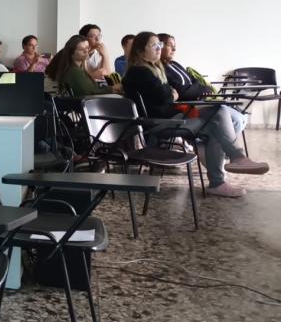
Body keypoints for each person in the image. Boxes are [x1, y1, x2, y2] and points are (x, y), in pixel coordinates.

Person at [122, 32, 269, 198]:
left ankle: (221, 174)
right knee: (218, 117)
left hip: (170, 118)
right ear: (141, 51)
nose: (159, 48)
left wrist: (171, 94)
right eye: (154, 45)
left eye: (160, 45)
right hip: (158, 123)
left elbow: (168, 95)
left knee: (218, 118)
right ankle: (226, 169)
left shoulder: (153, 69)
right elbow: (166, 96)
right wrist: (171, 94)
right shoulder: (140, 72)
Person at [158, 33, 247, 139]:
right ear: (159, 46)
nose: (174, 49)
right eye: (169, 45)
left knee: (242, 119)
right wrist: (201, 89)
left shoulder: (175, 64)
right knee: (236, 121)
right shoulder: (161, 70)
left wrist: (199, 89)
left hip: (201, 100)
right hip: (189, 106)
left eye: (175, 45)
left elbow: (194, 80)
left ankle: (222, 151)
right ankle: (223, 151)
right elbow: (182, 91)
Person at [45, 35, 120, 97]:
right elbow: (89, 91)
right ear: (72, 53)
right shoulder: (73, 70)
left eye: (87, 48)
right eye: (81, 49)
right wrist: (112, 88)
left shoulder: (77, 67)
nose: (86, 51)